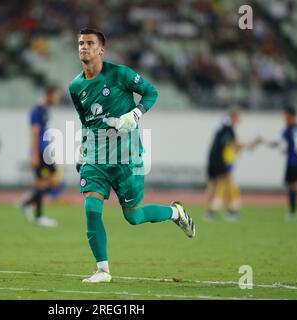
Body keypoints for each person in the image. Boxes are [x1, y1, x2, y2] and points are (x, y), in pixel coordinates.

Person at [69, 28, 195, 283]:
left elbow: (152, 93)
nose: (84, 47)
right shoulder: (75, 86)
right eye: (81, 43)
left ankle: (175, 213)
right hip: (96, 158)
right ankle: (102, 270)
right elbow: (85, 122)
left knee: (134, 217)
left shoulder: (120, 74)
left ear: (101, 49)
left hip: (127, 156)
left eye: (90, 43)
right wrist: (82, 147)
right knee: (91, 207)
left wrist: (135, 114)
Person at [205, 109, 261, 221]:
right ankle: (230, 212)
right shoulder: (229, 129)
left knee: (214, 185)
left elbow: (232, 146)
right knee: (228, 183)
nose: (239, 120)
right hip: (219, 159)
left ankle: (209, 213)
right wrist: (252, 143)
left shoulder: (222, 128)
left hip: (211, 158)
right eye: (238, 117)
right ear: (233, 117)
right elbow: (236, 145)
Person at [20, 86, 64, 227]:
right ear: (49, 95)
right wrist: (34, 154)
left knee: (42, 184)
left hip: (45, 151)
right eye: (56, 96)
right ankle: (31, 207)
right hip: (40, 153)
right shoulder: (37, 111)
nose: (57, 99)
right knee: (55, 182)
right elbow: (34, 132)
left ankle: (33, 210)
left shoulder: (45, 111)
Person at [268, 106, 297, 221]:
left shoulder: (288, 129)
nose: (284, 119)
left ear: (291, 116)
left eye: (286, 117)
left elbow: (279, 143)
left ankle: (293, 213)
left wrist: (269, 143)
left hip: (292, 162)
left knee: (292, 187)